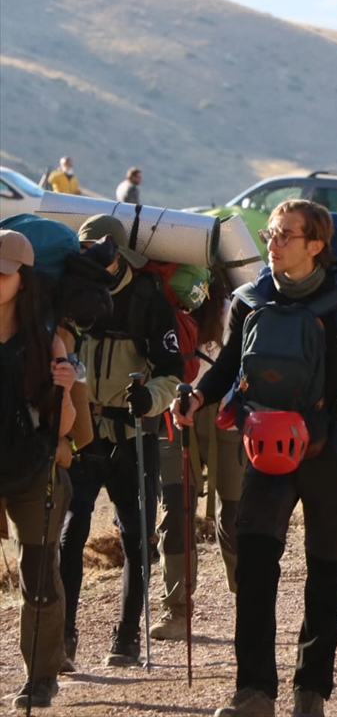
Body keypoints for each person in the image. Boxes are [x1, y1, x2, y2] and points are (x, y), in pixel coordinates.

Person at [173, 199, 337, 717]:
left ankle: (310, 691)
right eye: (271, 234)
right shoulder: (250, 300)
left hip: (328, 450)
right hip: (264, 451)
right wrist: (193, 396)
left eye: (284, 236)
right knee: (255, 569)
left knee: (326, 574)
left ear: (315, 245)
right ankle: (254, 692)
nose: (271, 243)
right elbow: (225, 370)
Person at [59, 216, 183, 669]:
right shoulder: (70, 294)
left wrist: (150, 397)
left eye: (99, 250)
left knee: (135, 537)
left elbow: (174, 371)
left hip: (134, 433)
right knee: (70, 535)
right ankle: (63, 637)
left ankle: (127, 637)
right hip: (82, 432)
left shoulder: (147, 298)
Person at [1, 230, 77, 710]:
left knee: (40, 575)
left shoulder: (47, 341)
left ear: (23, 280)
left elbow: (64, 426)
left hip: (33, 469)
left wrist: (67, 387)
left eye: (2, 273)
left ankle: (41, 676)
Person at [150, 268, 243, 641]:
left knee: (235, 516)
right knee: (175, 512)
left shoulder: (234, 306)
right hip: (176, 417)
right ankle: (176, 609)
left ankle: (248, 600)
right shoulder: (159, 308)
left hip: (227, 418)